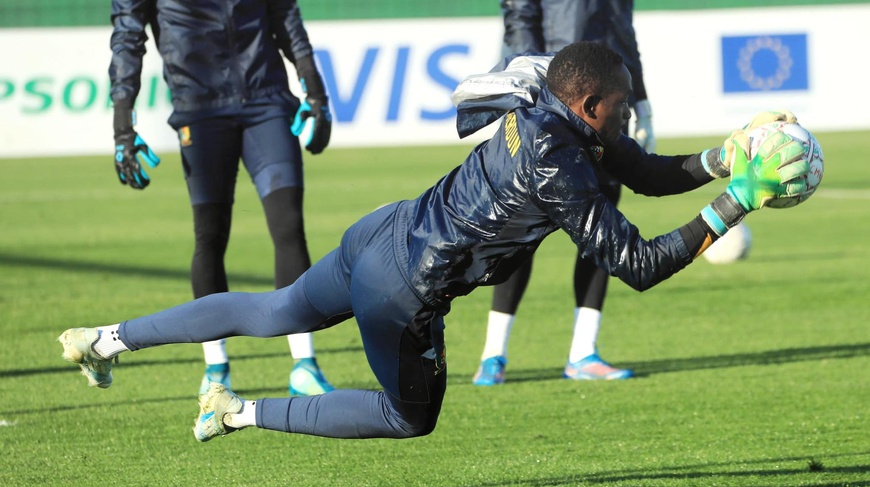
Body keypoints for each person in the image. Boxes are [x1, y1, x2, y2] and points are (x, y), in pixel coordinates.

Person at [60, 42, 808, 443]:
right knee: (406, 416)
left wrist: (723, 157)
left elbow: (639, 170)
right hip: (405, 290)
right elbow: (640, 265)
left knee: (271, 307)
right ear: (589, 104)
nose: (625, 121)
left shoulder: (541, 94)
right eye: (619, 112)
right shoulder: (564, 164)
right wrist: (738, 199)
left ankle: (106, 338)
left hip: (381, 229)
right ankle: (234, 412)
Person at [109, 0, 335, 397]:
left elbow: (285, 17)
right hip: (199, 109)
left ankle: (305, 365)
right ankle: (216, 371)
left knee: (288, 226)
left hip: (267, 100)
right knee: (210, 237)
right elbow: (128, 35)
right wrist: (122, 126)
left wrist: (314, 91)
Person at [472, 0, 653, 385]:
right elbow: (519, 17)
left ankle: (583, 352)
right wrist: (532, 82)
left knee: (604, 228)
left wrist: (641, 100)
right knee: (518, 231)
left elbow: (625, 33)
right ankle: (493, 354)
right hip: (552, 104)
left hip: (606, 109)